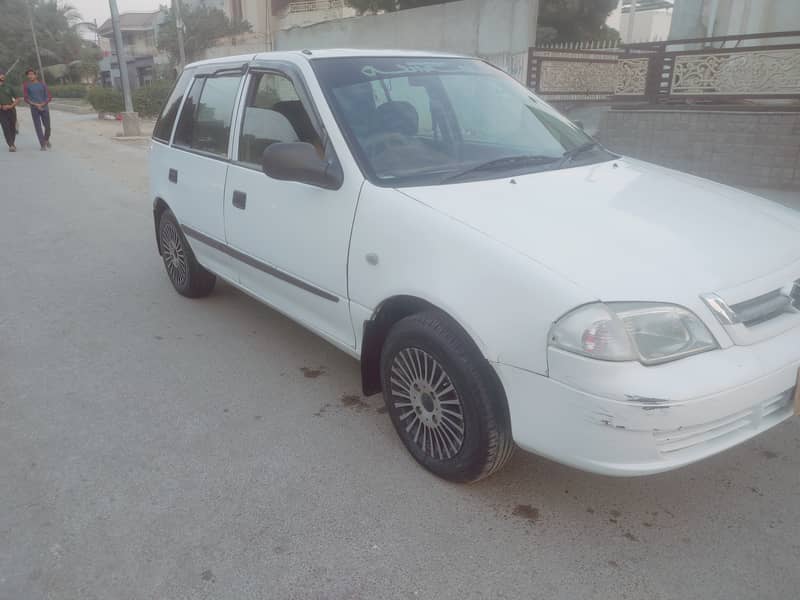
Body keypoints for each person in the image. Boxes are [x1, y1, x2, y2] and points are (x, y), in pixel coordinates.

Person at [23, 68, 52, 150]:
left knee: (47, 126)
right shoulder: (26, 85)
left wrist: (43, 104)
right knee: (38, 126)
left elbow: (49, 96)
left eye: (32, 74)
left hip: (44, 107)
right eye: (28, 74)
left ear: (36, 75)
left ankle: (46, 139)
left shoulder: (43, 84)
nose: (30, 76)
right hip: (34, 108)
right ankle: (42, 145)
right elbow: (26, 98)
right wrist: (35, 104)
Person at [0, 69, 20, 152]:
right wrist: (1, 106)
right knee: (5, 127)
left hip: (11, 110)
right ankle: (11, 145)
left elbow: (17, 98)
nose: (2, 76)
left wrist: (11, 106)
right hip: (1, 111)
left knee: (12, 127)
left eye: (3, 74)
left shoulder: (9, 86)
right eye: (1, 74)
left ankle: (12, 142)